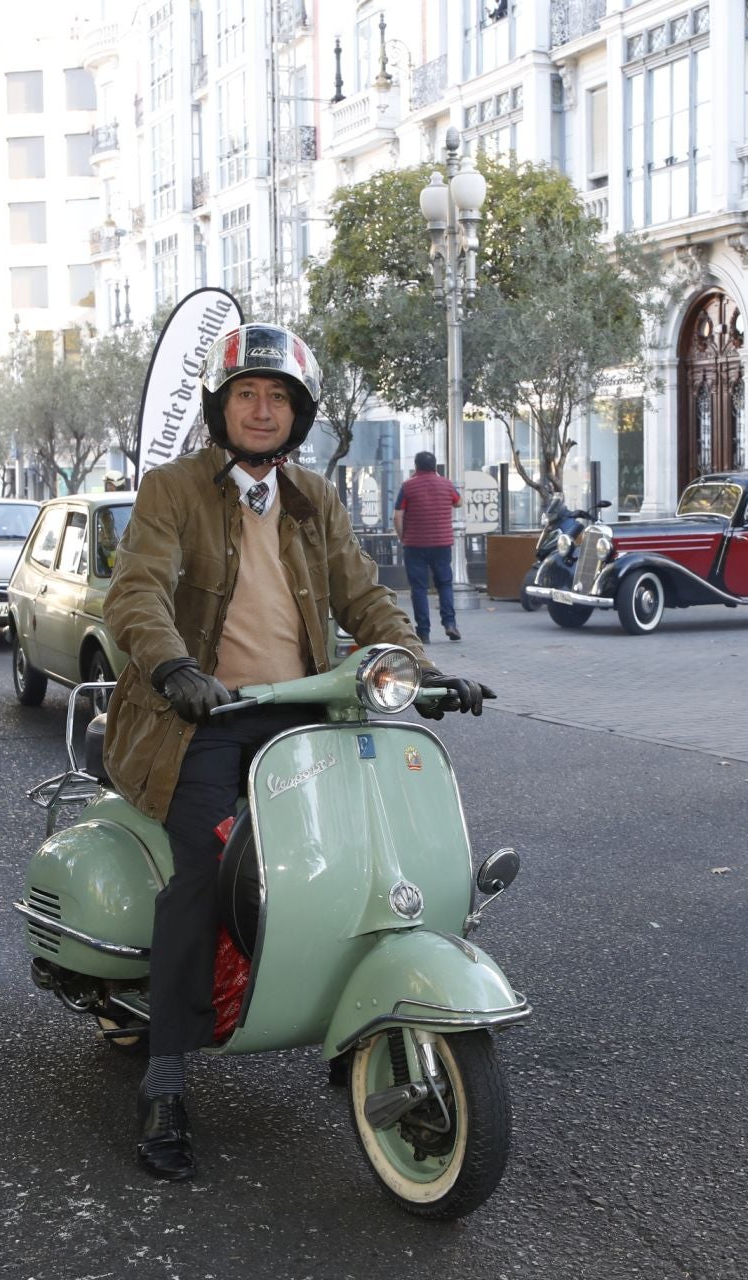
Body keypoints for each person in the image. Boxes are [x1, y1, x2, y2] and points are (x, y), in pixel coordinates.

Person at [103, 322, 494, 1183]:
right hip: (194, 720)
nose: (262, 408)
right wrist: (173, 668)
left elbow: (366, 596)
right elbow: (137, 590)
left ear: (299, 412)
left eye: (278, 396)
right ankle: (167, 1074)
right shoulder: (172, 491)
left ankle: (348, 1013)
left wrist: (422, 669)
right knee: (205, 874)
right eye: (247, 393)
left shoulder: (314, 500)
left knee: (357, 848)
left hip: (302, 715)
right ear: (220, 404)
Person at [394, 451, 463, 643]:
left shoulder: (408, 486)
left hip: (415, 544)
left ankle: (423, 632)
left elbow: (397, 515)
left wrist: (402, 536)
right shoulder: (446, 484)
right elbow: (459, 503)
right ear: (435, 466)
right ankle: (450, 624)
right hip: (442, 544)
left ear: (416, 466)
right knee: (445, 585)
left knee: (419, 588)